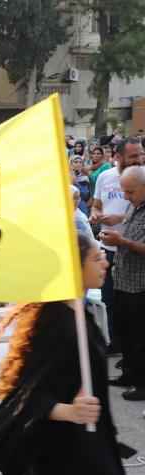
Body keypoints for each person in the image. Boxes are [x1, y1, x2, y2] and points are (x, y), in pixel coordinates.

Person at [0, 234, 143, 475]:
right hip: (66, 452)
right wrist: (66, 411)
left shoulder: (80, 312)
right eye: (95, 257)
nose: (105, 260)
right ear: (73, 268)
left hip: (91, 444)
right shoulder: (56, 324)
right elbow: (24, 394)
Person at [91, 137, 142, 355]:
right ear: (118, 156)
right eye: (133, 156)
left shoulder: (142, 177)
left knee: (136, 312)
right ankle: (118, 348)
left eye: (141, 154)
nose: (138, 159)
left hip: (136, 258)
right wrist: (97, 215)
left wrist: (117, 220)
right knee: (112, 302)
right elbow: (96, 205)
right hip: (111, 251)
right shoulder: (105, 177)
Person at [100, 165, 145, 400]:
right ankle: (129, 373)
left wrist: (122, 241)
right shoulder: (134, 206)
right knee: (125, 333)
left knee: (139, 337)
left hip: (140, 286)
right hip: (122, 280)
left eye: (130, 192)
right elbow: (126, 225)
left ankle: (141, 383)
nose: (126, 197)